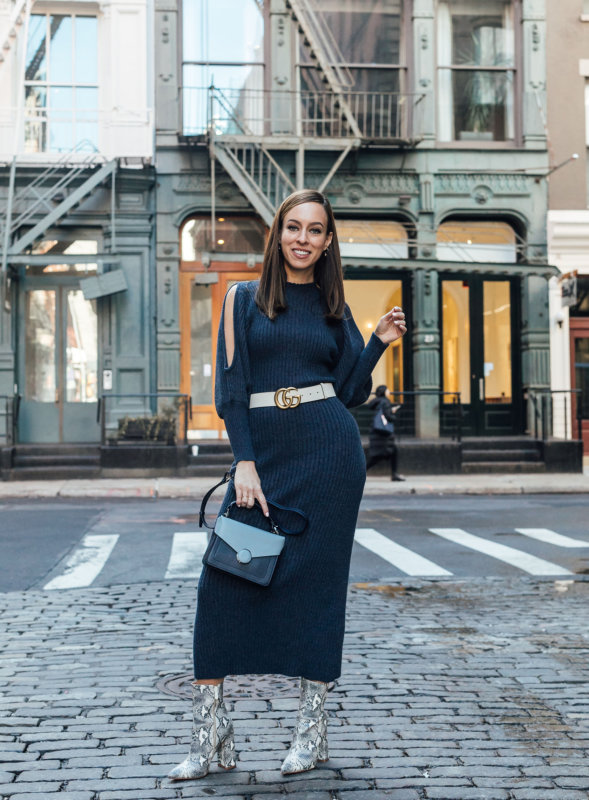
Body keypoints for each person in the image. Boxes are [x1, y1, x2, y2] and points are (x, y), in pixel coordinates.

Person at [168, 189, 407, 782]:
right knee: (221, 588)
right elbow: (230, 388)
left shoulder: (333, 307)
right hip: (264, 460)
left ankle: (312, 733)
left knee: (316, 595)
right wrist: (243, 462)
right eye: (294, 227)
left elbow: (350, 391)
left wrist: (376, 341)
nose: (304, 239)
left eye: (316, 230)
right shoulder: (242, 299)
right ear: (277, 234)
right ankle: (210, 737)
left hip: (329, 459)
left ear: (328, 242)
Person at [365, 384, 405, 481]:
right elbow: (388, 417)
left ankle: (394, 474)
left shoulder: (378, 402)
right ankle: (361, 472)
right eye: (387, 390)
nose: (389, 391)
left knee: (390, 452)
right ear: (383, 391)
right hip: (383, 434)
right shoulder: (385, 402)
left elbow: (382, 414)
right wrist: (393, 415)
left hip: (376, 433)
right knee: (380, 456)